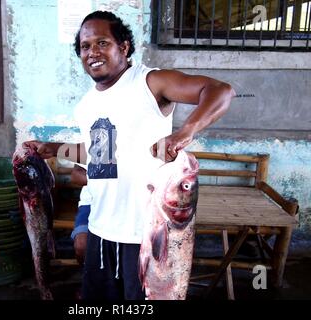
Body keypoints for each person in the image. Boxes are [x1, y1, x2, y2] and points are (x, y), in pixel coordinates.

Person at [22, 10, 235, 300]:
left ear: (123, 47)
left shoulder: (150, 83)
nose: (92, 52)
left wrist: (186, 131)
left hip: (147, 234)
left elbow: (220, 91)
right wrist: (55, 149)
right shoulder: (86, 105)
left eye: (102, 43)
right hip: (101, 229)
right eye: (85, 46)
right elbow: (102, 157)